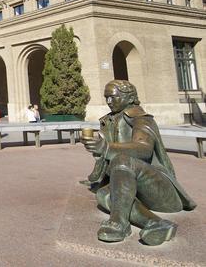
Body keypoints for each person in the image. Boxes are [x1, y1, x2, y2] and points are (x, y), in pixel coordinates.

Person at [81, 80, 196, 245]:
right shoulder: (108, 121)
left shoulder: (141, 119)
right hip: (134, 191)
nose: (108, 102)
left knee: (122, 160)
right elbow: (107, 158)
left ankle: (119, 224)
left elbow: (144, 148)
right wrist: (97, 149)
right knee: (104, 194)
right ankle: (155, 223)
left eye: (113, 97)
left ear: (129, 97)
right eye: (106, 98)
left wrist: (106, 147)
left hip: (161, 192)